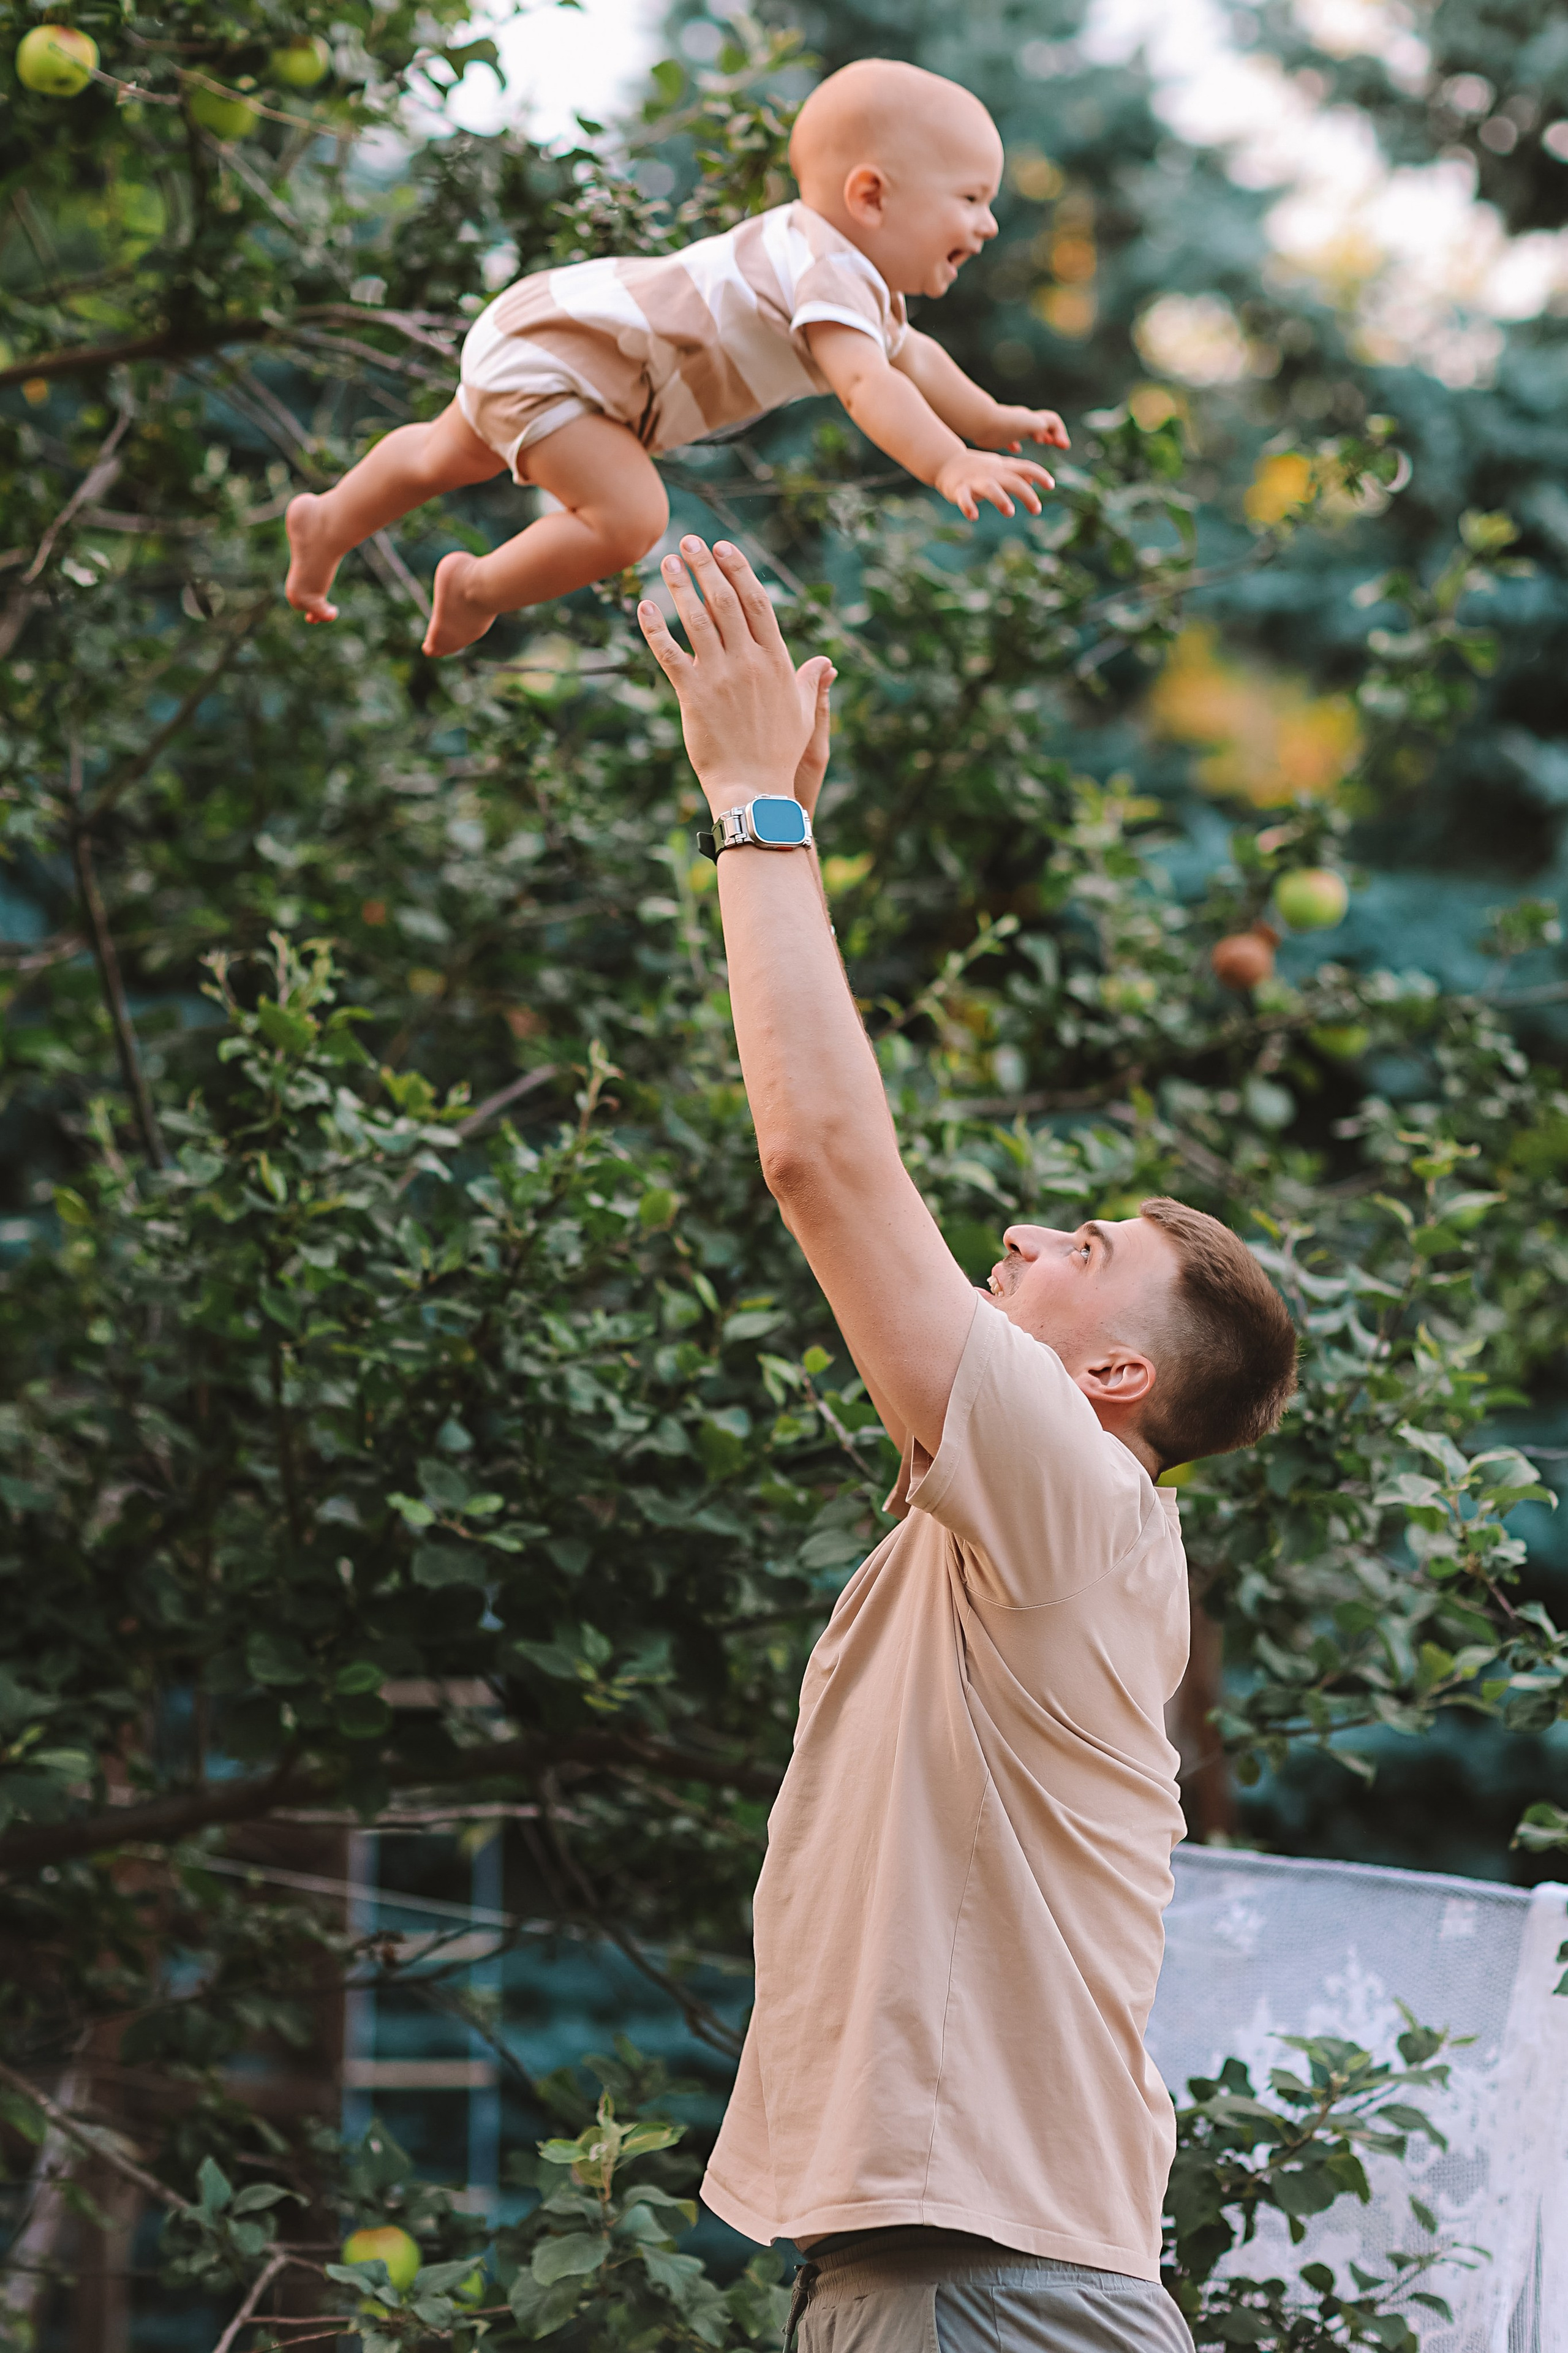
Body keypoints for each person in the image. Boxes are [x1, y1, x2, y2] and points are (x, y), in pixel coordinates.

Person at [634, 538, 1299, 2353]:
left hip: (990, 2294)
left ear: (1110, 1378)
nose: (1017, 1234)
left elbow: (827, 1162)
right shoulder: (1019, 1534)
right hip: (956, 2282)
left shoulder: (1081, 1497)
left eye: (1076, 1252)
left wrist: (754, 807)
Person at [284, 58, 1068, 657]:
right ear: (870, 197)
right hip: (573, 366)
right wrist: (947, 463)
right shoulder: (825, 270)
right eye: (971, 199)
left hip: (550, 332)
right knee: (630, 521)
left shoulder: (834, 271)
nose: (989, 224)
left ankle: (331, 519)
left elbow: (914, 360)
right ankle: (475, 585)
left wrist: (990, 419)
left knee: (444, 453)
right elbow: (869, 384)